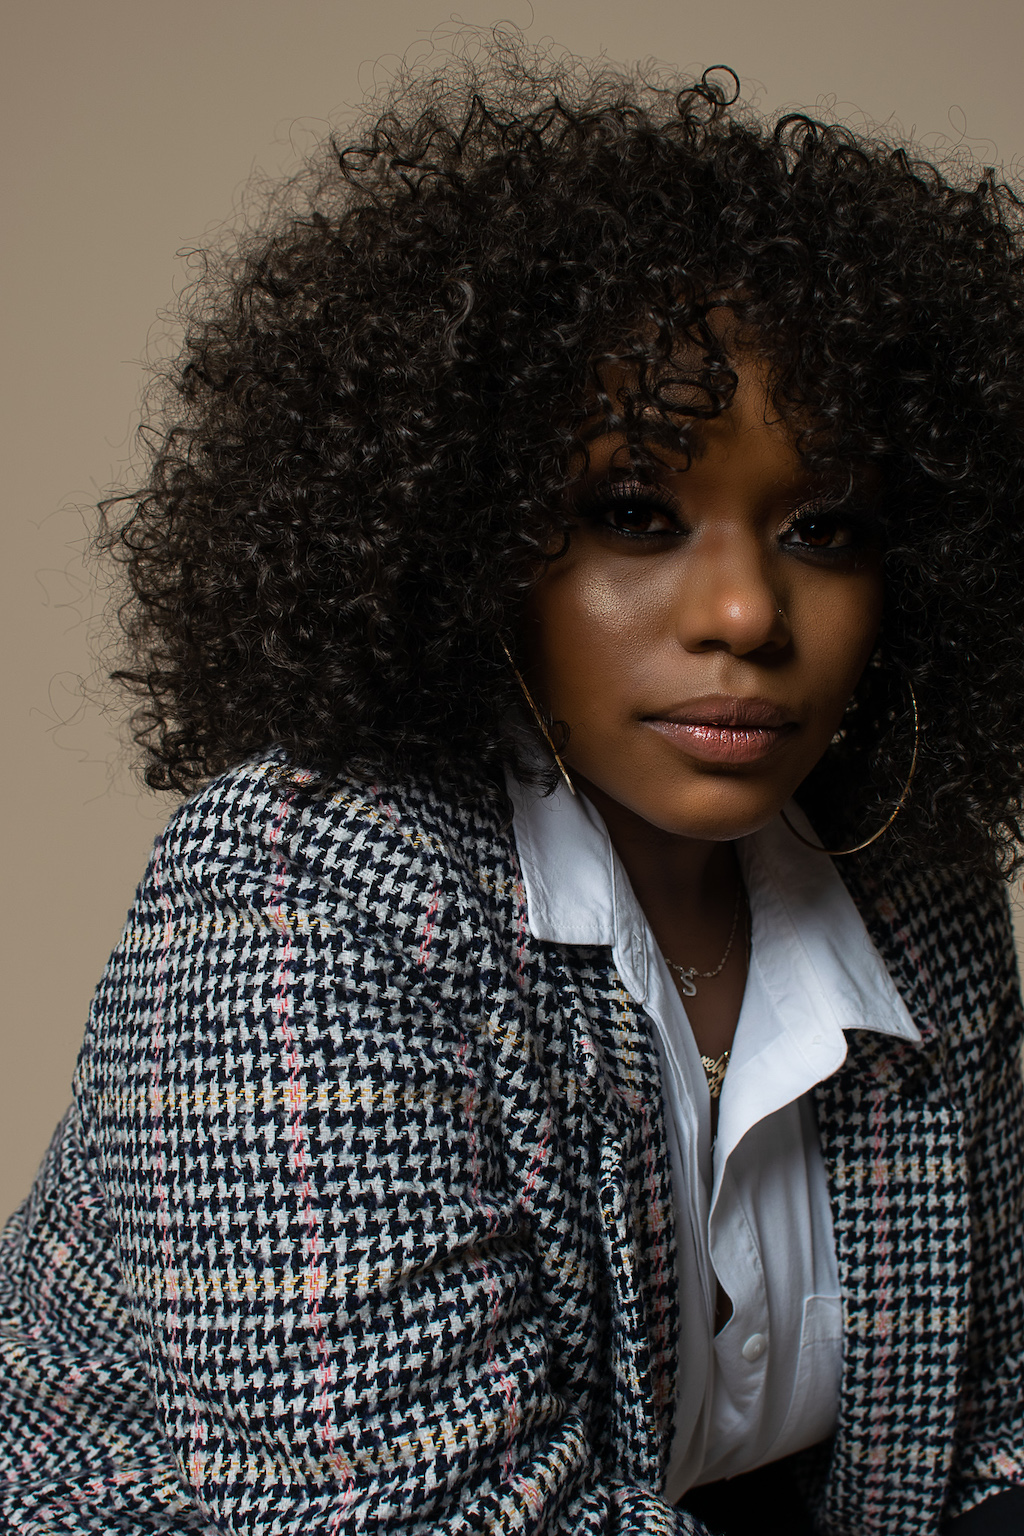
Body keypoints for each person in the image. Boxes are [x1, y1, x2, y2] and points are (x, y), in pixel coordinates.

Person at [1, 32, 1023, 1536]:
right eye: (635, 513)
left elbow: (990, 1421)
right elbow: (429, 1515)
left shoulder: (917, 894)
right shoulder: (294, 901)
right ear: (468, 538)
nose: (747, 613)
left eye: (826, 529)